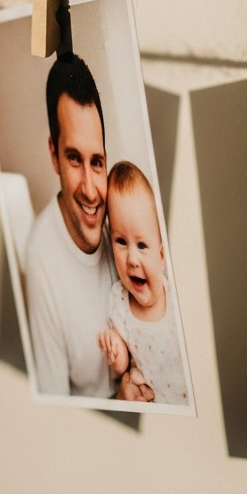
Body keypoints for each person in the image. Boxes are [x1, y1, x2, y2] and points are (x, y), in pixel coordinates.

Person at [24, 51, 153, 401]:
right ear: (54, 155)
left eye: (97, 162)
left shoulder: (122, 221)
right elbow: (56, 412)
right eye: (73, 159)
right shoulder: (41, 261)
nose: (91, 190)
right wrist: (122, 403)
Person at [97, 162, 189, 405]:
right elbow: (122, 366)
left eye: (141, 245)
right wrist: (114, 349)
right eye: (121, 241)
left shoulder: (175, 297)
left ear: (161, 256)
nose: (131, 259)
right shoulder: (119, 301)